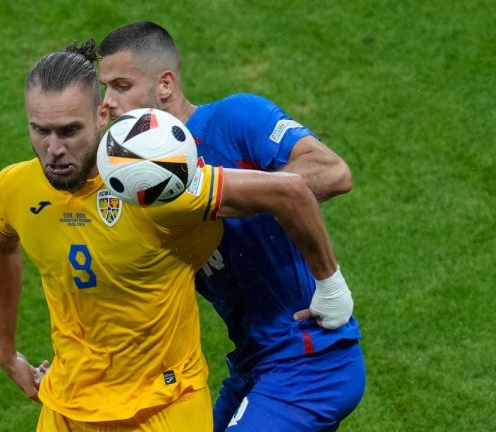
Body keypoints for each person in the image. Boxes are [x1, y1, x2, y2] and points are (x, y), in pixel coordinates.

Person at [0, 39, 352, 431]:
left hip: (163, 407)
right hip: (67, 408)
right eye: (40, 131)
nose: (53, 149)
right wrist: (6, 353)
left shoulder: (154, 185)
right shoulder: (15, 187)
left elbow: (290, 191)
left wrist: (330, 286)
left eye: (69, 131)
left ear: (102, 114)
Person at [98, 21, 366, 431]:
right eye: (104, 88)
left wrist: (228, 196)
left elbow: (332, 172)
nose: (108, 102)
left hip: (311, 359)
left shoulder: (235, 118)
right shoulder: (136, 188)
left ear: (165, 84)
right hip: (254, 365)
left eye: (120, 86)